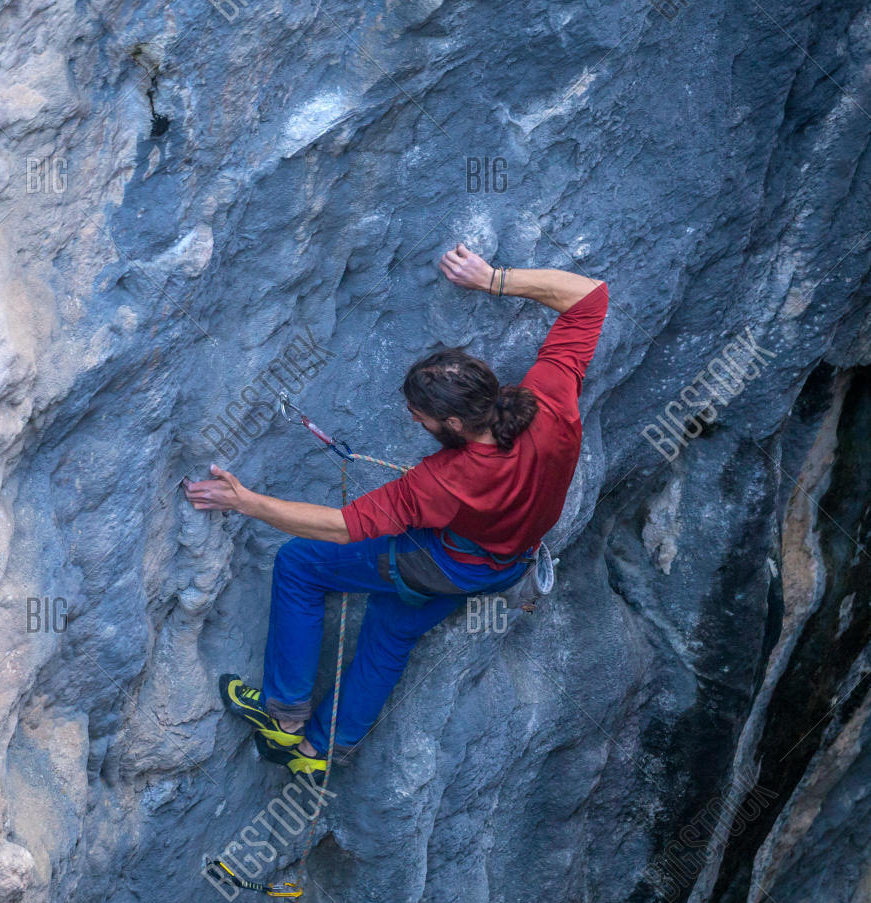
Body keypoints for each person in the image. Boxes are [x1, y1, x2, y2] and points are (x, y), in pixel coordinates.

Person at [185, 243, 608, 780]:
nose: (413, 420)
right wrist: (491, 279)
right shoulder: (550, 401)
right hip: (506, 566)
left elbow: (339, 528)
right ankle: (322, 751)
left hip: (447, 562)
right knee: (391, 631)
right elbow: (591, 296)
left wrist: (246, 503)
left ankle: (283, 718)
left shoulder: (444, 482)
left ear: (453, 425)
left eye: (419, 415)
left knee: (300, 565)